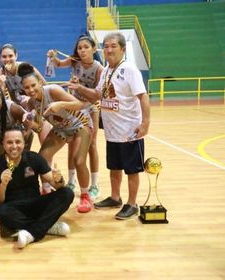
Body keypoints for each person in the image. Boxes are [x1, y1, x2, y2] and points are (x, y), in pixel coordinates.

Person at [67, 32, 150, 220]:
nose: (109, 49)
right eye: (106, 46)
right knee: (114, 167)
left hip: (130, 131)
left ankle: (132, 204)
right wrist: (79, 88)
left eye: (113, 46)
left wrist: (145, 123)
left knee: (132, 170)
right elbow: (96, 95)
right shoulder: (105, 71)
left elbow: (143, 97)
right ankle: (115, 197)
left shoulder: (129, 69)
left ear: (122, 48)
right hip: (113, 131)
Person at [18, 62, 94, 213]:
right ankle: (46, 190)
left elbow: (80, 104)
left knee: (79, 161)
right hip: (61, 128)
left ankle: (85, 196)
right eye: (27, 88)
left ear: (39, 82)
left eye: (33, 85)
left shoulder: (52, 90)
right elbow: (39, 128)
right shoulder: (33, 103)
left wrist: (60, 104)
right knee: (41, 157)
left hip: (80, 123)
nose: (31, 90)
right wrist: (29, 123)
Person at [0, 126, 74, 249]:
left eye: (18, 142)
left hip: (35, 204)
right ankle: (48, 227)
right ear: (3, 144)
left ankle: (32, 231)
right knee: (0, 212)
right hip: (13, 208)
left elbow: (58, 185)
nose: (14, 146)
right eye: (9, 142)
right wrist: (3, 185)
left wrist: (58, 178)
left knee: (67, 193)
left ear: (24, 143)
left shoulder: (34, 158)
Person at [47, 36, 104, 200]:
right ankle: (71, 181)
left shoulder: (98, 68)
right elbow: (58, 64)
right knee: (71, 142)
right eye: (79, 48)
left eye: (86, 47)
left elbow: (98, 95)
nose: (82, 50)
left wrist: (80, 87)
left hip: (91, 107)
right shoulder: (74, 61)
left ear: (94, 49)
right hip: (74, 106)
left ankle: (94, 185)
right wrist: (52, 57)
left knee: (92, 145)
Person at [0, 44, 51, 143]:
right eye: (4, 56)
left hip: (36, 108)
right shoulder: (1, 73)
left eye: (10, 56)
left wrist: (32, 100)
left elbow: (45, 86)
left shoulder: (26, 68)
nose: (7, 59)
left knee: (44, 143)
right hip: (19, 113)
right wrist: (2, 85)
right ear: (0, 58)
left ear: (16, 56)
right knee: (22, 143)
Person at [0, 82, 33, 162]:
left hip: (17, 135)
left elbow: (29, 121)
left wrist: (26, 133)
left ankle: (24, 163)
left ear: (2, 98)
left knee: (16, 161)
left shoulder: (13, 108)